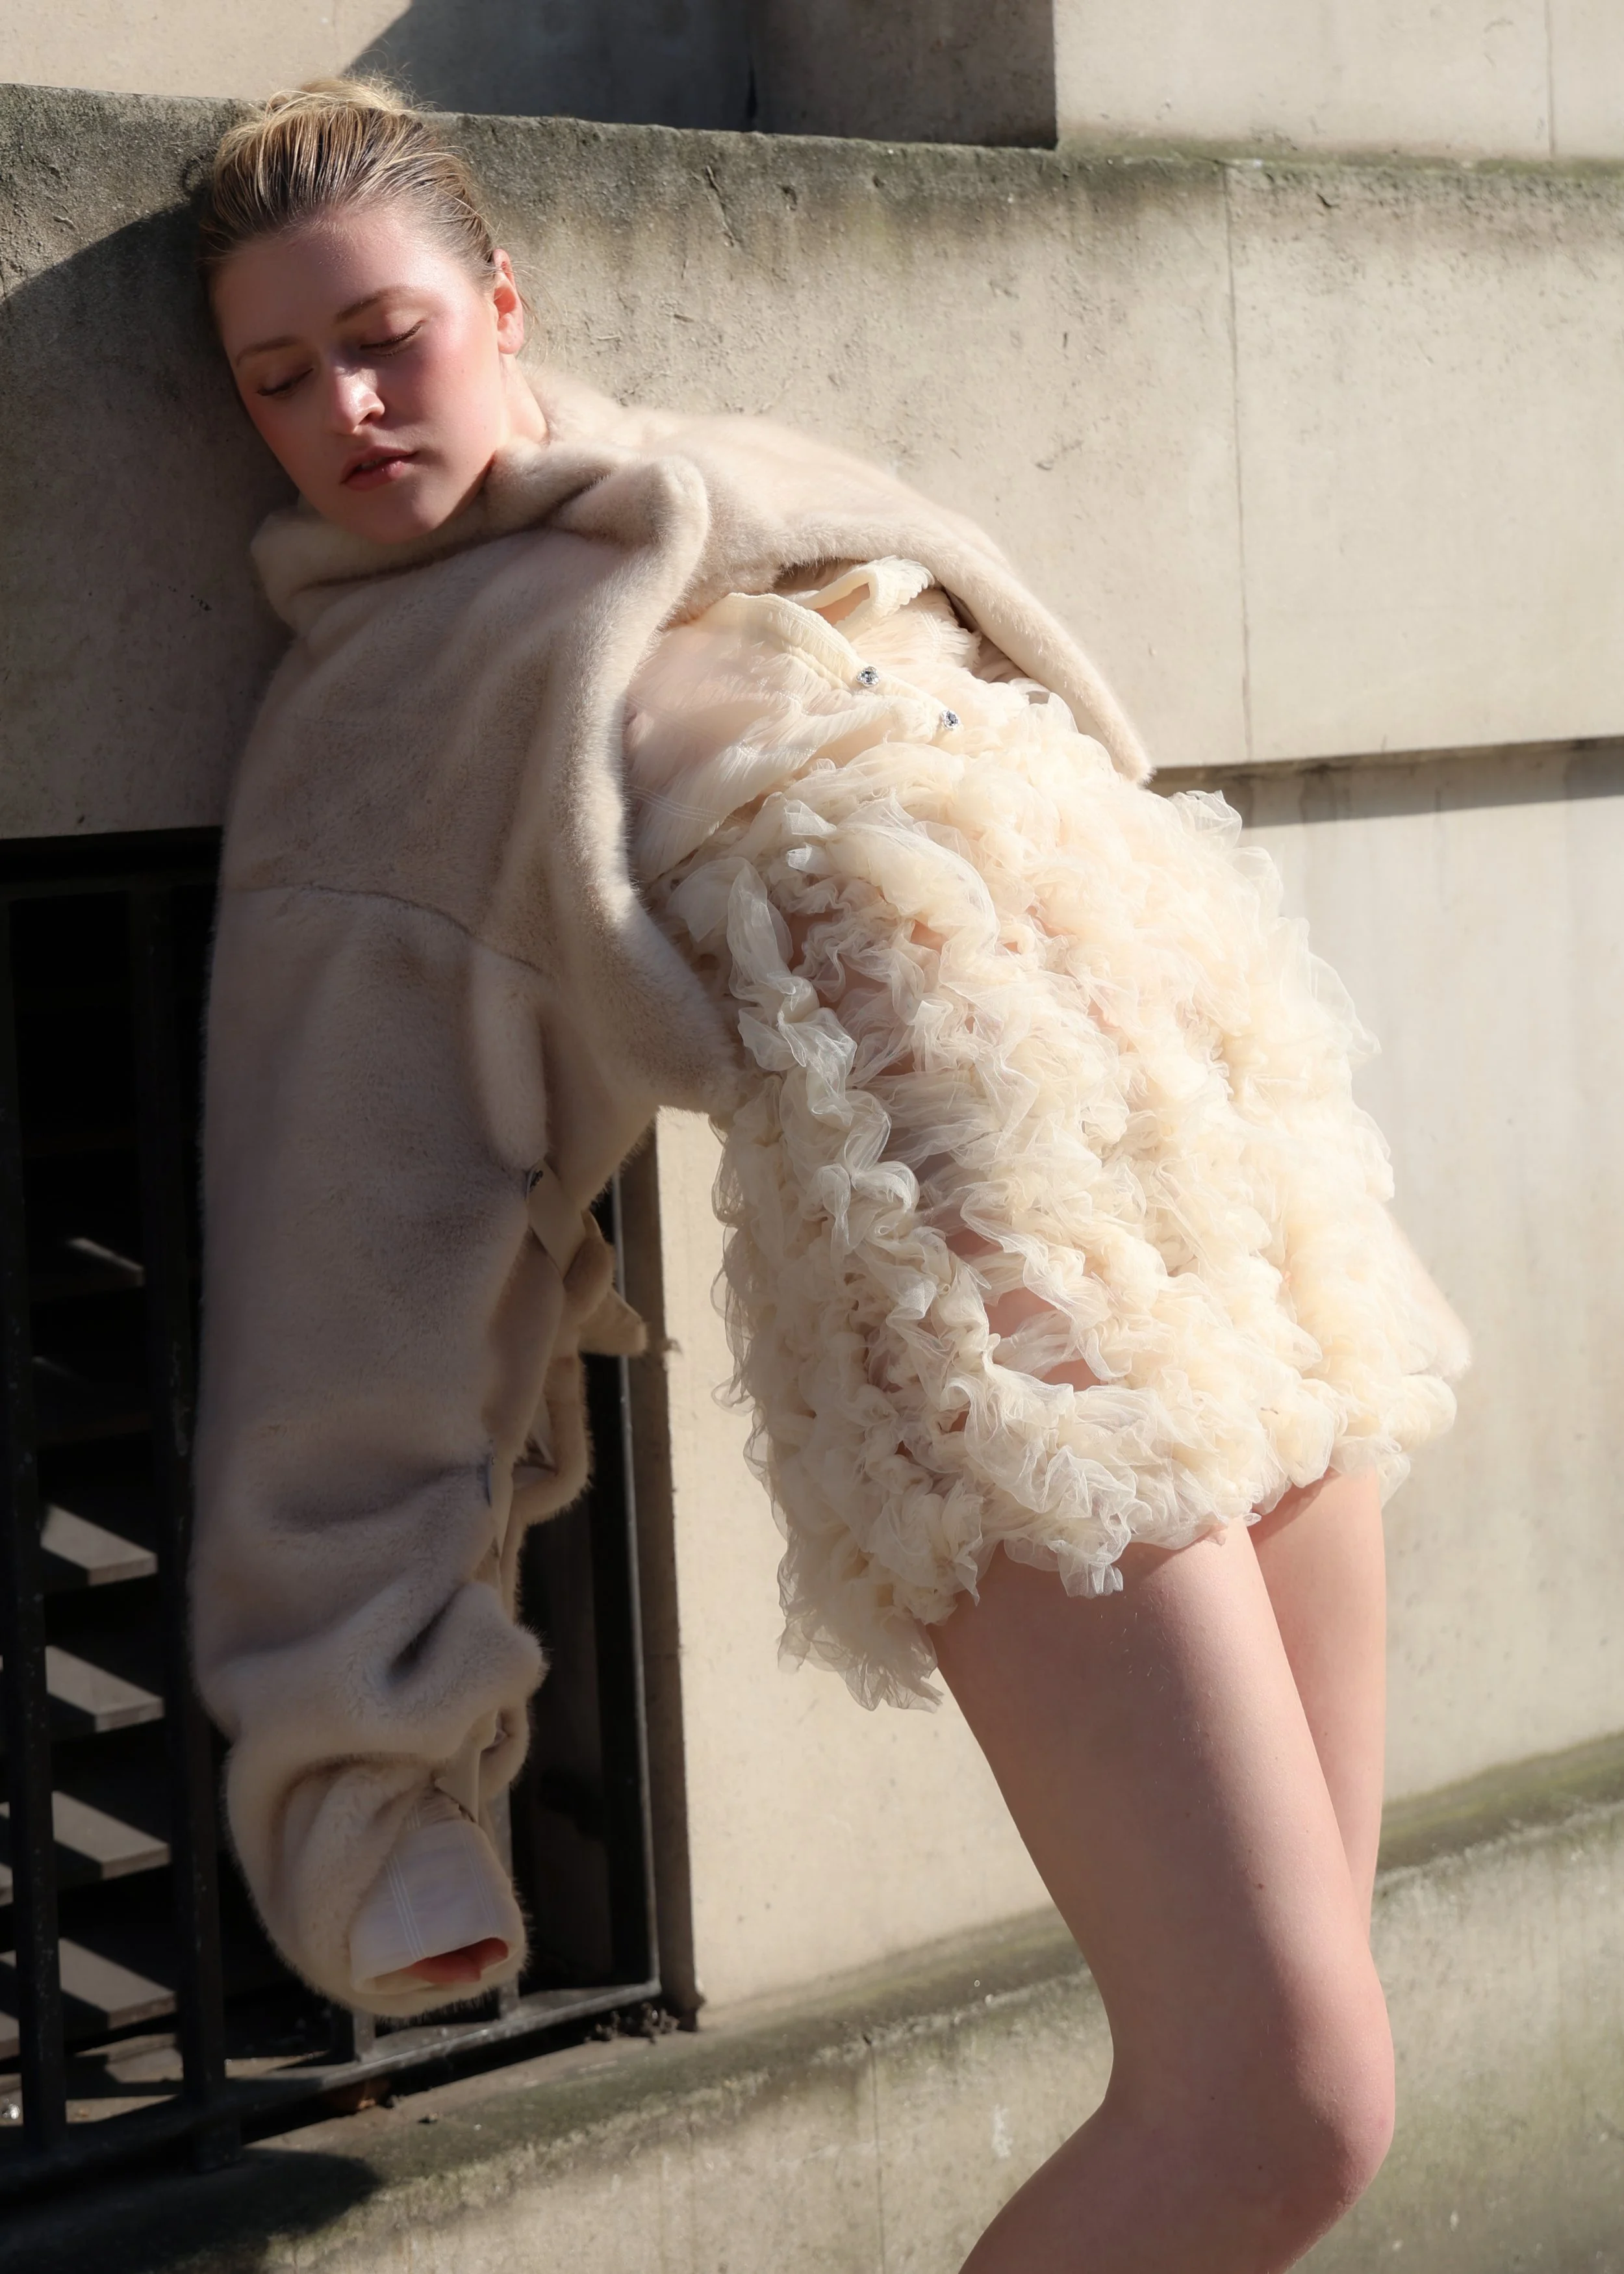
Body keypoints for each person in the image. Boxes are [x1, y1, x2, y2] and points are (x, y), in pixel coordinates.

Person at [190, 80, 1466, 2273]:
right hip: (998, 1322)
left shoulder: (744, 482)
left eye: (384, 338)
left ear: (503, 303)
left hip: (1242, 1230)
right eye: (279, 379)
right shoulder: (392, 710)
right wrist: (366, 1785)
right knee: (1277, 2110)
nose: (348, 411)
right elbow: (350, 1254)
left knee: (1298, 2087)